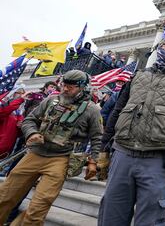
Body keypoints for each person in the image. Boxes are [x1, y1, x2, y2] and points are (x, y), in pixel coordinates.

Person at [97, 36, 165, 226]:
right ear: (159, 48)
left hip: (160, 160)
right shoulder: (136, 77)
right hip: (123, 154)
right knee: (111, 215)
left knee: (150, 220)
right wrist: (103, 151)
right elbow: (116, 113)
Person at [0, 70, 103, 225]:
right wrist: (31, 133)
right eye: (64, 85)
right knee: (5, 196)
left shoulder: (92, 110)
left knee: (38, 207)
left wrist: (93, 162)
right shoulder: (51, 100)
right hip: (35, 153)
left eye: (71, 86)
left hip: (60, 159)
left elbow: (97, 137)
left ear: (83, 87)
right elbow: (30, 120)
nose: (65, 89)